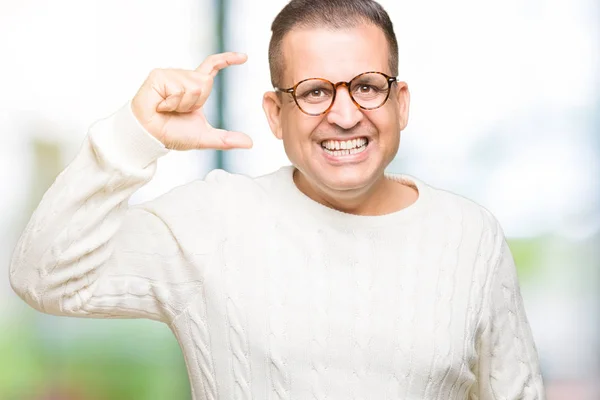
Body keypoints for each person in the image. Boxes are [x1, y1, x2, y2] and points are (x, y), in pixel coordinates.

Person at [9, 0, 546, 398]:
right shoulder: (212, 220)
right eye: (315, 91)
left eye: (366, 86)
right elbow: (45, 277)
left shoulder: (469, 235)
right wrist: (132, 136)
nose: (344, 114)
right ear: (274, 114)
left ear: (399, 102)